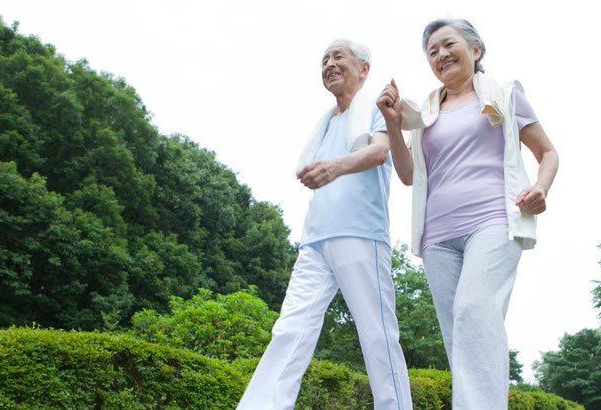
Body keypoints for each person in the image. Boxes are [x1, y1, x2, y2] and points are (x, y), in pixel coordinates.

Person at [377, 19, 559, 409]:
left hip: (494, 220)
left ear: (475, 50)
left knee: (473, 310)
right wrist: (394, 124)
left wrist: (540, 188)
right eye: (432, 51)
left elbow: (548, 152)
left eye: (448, 44)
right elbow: (409, 175)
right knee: (459, 335)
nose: (441, 54)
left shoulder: (506, 95)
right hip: (437, 238)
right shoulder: (424, 114)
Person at [237, 39, 413, 410]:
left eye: (338, 57)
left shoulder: (376, 109)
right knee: (289, 331)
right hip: (315, 240)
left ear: (364, 69)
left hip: (361, 234)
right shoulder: (324, 125)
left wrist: (334, 167)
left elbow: (380, 151)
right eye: (324, 60)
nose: (329, 64)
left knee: (377, 336)